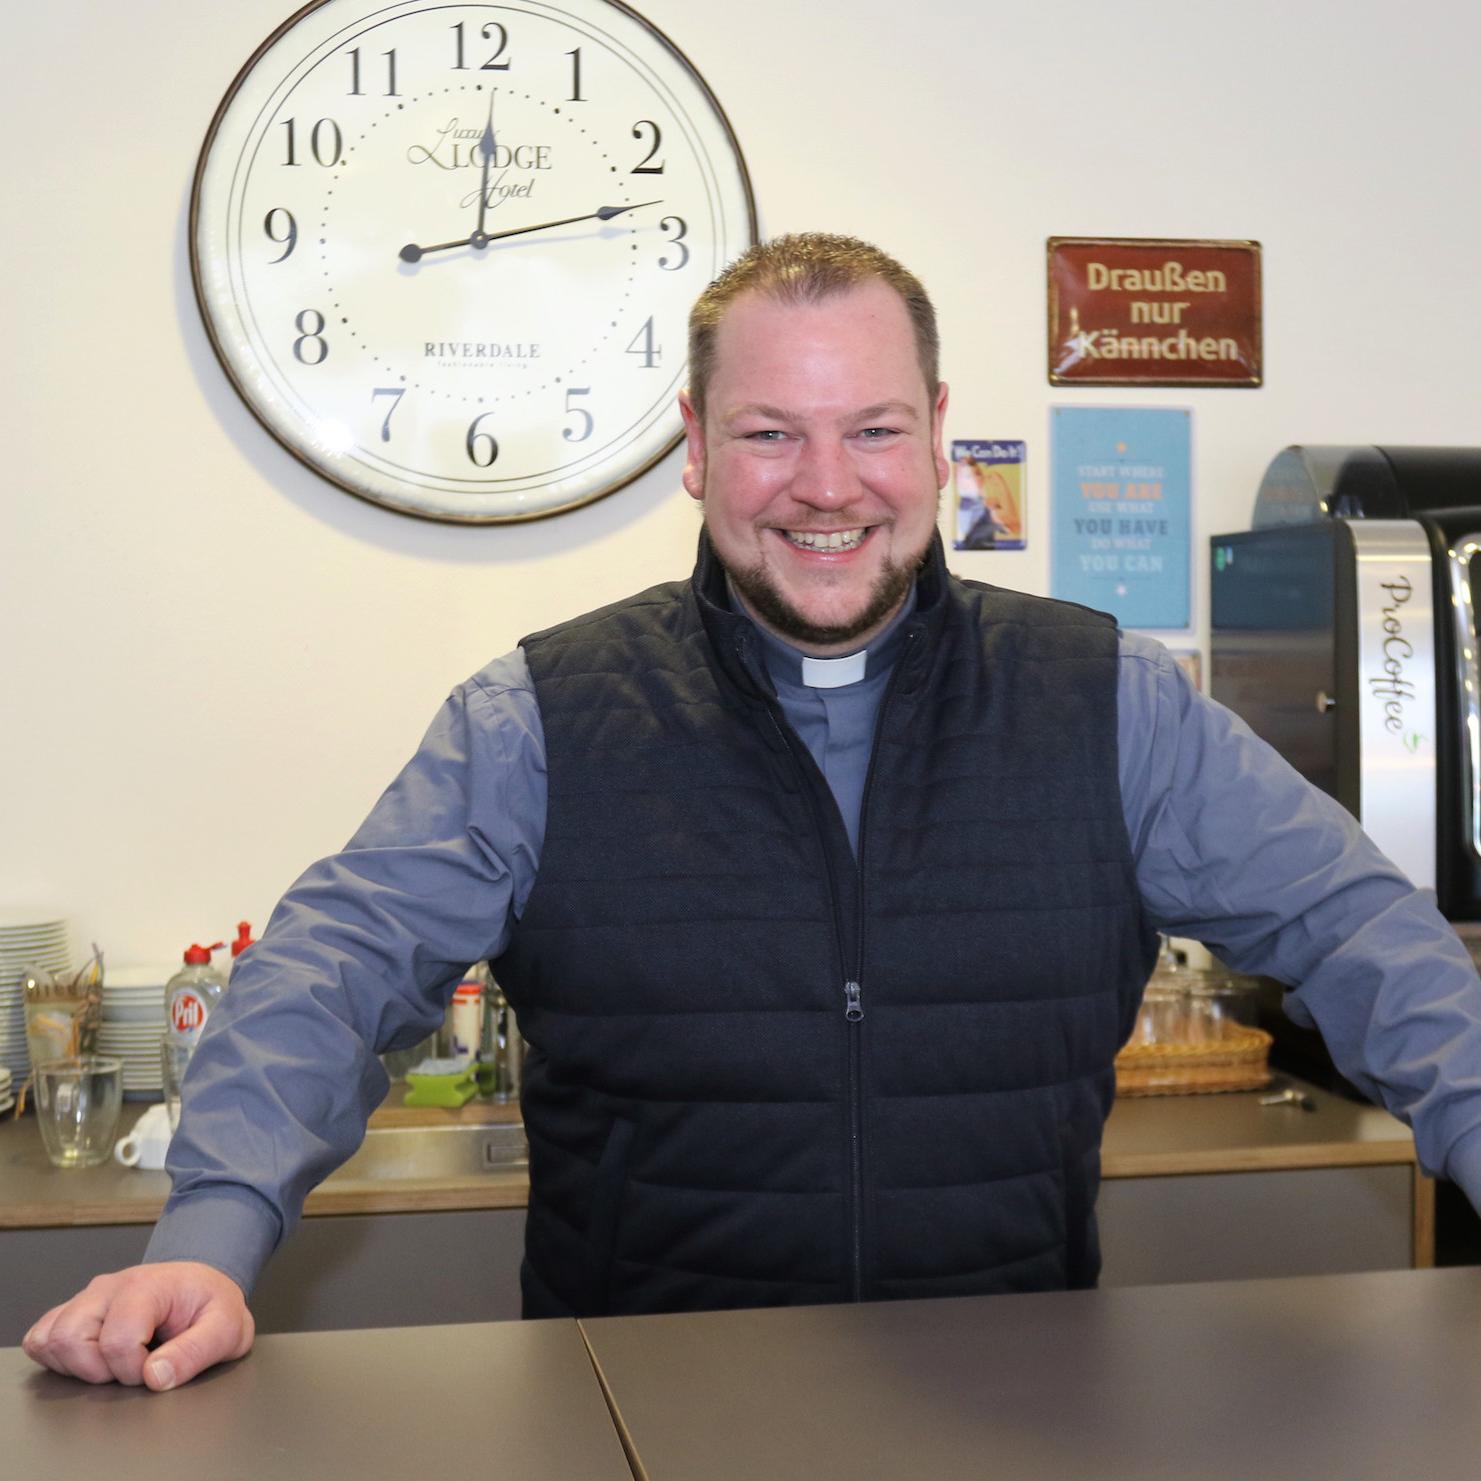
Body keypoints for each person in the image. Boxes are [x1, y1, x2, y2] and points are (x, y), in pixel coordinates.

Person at [25, 233, 1481, 1389]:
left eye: (873, 429)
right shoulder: (541, 713)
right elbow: (334, 965)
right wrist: (211, 1239)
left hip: (1020, 1406)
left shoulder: (1102, 697)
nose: (828, 486)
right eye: (772, 432)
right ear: (696, 447)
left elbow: (1352, 922)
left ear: (935, 438)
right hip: (636, 1405)